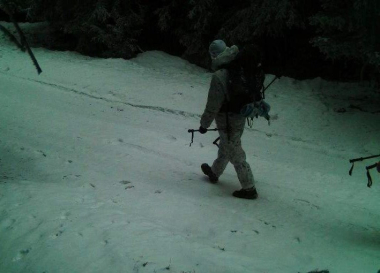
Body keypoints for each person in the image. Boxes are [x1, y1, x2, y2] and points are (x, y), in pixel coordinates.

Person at [199, 39, 265, 200]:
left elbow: (212, 105)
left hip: (227, 119)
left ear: (213, 56)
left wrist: (204, 124)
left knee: (234, 149)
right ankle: (215, 172)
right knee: (227, 144)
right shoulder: (239, 67)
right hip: (240, 114)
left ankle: (249, 188)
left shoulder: (220, 75)